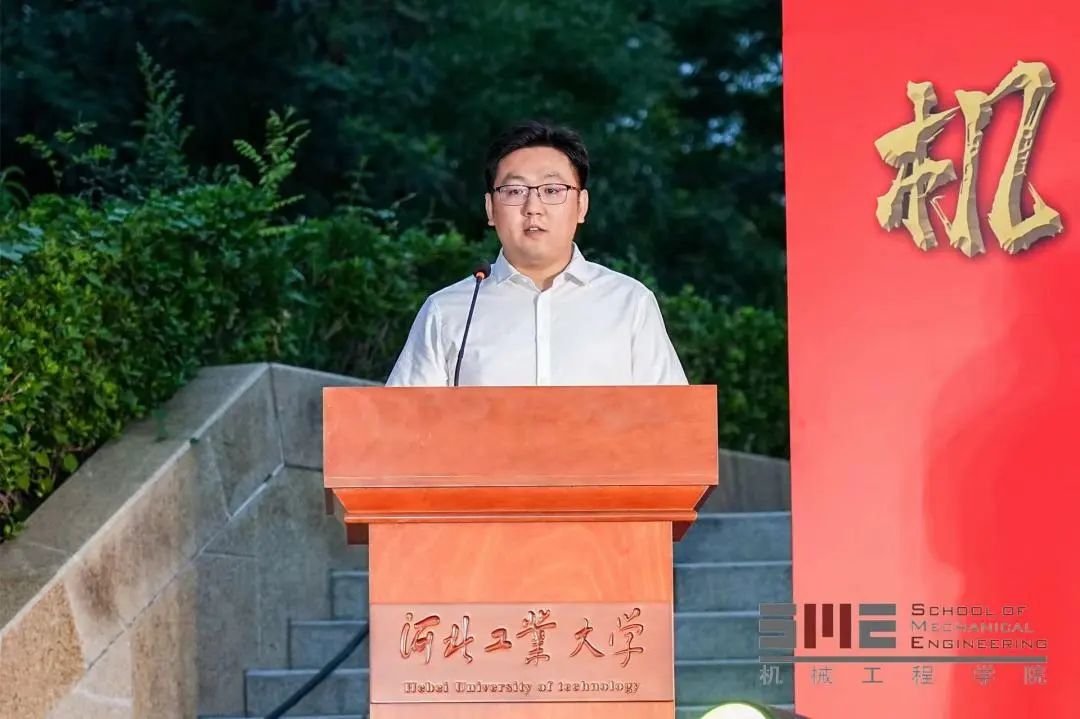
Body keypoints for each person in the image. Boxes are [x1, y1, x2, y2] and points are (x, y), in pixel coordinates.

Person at [386, 119, 687, 387]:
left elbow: (672, 421)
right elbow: (402, 422)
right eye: (515, 191)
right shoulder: (447, 311)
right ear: (490, 209)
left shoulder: (630, 303)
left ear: (581, 205)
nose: (533, 207)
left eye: (552, 190)